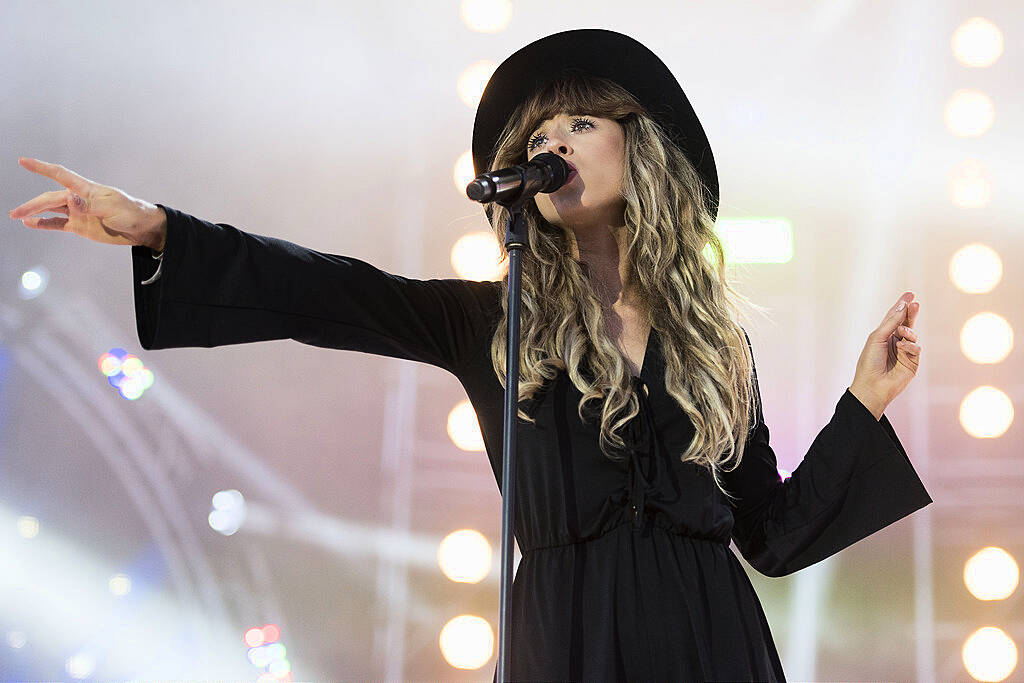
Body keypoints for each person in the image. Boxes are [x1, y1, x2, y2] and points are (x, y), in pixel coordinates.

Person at [9, 27, 929, 683]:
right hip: (566, 639)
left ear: (638, 146)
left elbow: (770, 535)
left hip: (711, 638)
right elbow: (330, 290)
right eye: (537, 137)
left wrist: (862, 405)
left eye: (577, 124)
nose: (551, 143)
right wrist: (164, 231)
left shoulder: (714, 346)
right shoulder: (498, 321)